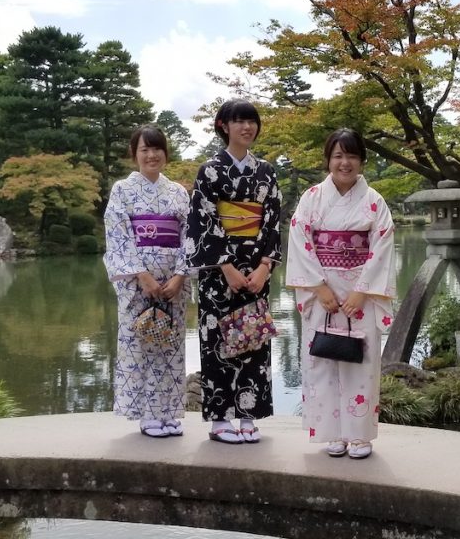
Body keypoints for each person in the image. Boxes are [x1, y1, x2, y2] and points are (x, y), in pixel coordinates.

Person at [286, 128, 396, 460]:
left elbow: (382, 246)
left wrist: (362, 292)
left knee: (360, 363)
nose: (344, 162)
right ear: (328, 160)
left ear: (361, 160)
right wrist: (318, 288)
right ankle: (332, 433)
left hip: (359, 295)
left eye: (351, 155)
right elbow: (300, 241)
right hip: (322, 293)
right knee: (322, 362)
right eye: (337, 155)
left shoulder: (375, 202)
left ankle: (360, 436)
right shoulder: (311, 198)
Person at [183, 99, 283, 444]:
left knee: (253, 339)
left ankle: (249, 416)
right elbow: (202, 221)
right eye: (238, 121)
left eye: (251, 121)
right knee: (217, 343)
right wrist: (225, 265)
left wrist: (265, 267)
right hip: (218, 272)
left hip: (256, 270)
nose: (247, 127)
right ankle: (221, 420)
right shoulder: (209, 171)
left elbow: (272, 222)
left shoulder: (266, 172)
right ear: (223, 125)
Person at [103, 124, 190, 438]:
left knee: (170, 346)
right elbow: (118, 236)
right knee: (140, 344)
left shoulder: (179, 192)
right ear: (134, 154)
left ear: (165, 153)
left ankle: (168, 412)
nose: (152, 155)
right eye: (145, 149)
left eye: (157, 149)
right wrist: (142, 275)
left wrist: (180, 275)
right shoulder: (122, 191)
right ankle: (146, 415)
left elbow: (188, 237)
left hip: (172, 286)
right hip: (138, 282)